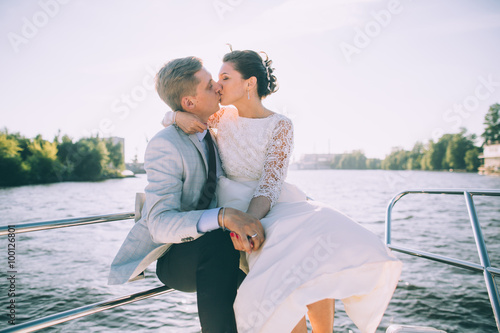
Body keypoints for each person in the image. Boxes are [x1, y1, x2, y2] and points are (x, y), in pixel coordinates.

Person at [162, 50, 403, 333]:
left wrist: (249, 222)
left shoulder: (281, 125)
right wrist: (175, 115)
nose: (218, 85)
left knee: (320, 238)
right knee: (282, 264)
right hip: (232, 203)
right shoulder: (219, 116)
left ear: (249, 83)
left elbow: (270, 184)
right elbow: (182, 111)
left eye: (225, 78)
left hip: (270, 201)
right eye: (217, 79)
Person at [108, 56, 265, 333]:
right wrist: (222, 217)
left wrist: (174, 115)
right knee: (221, 239)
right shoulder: (165, 145)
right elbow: (159, 223)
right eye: (208, 85)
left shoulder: (215, 126)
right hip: (177, 257)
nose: (218, 86)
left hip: (220, 250)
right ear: (190, 102)